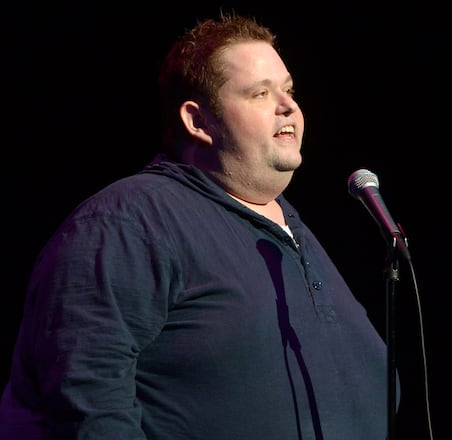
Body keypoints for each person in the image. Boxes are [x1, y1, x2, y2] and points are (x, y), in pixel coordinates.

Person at [0, 11, 394, 439]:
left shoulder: (293, 232)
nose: (289, 106)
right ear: (198, 121)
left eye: (289, 90)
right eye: (260, 93)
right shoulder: (129, 221)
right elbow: (82, 396)